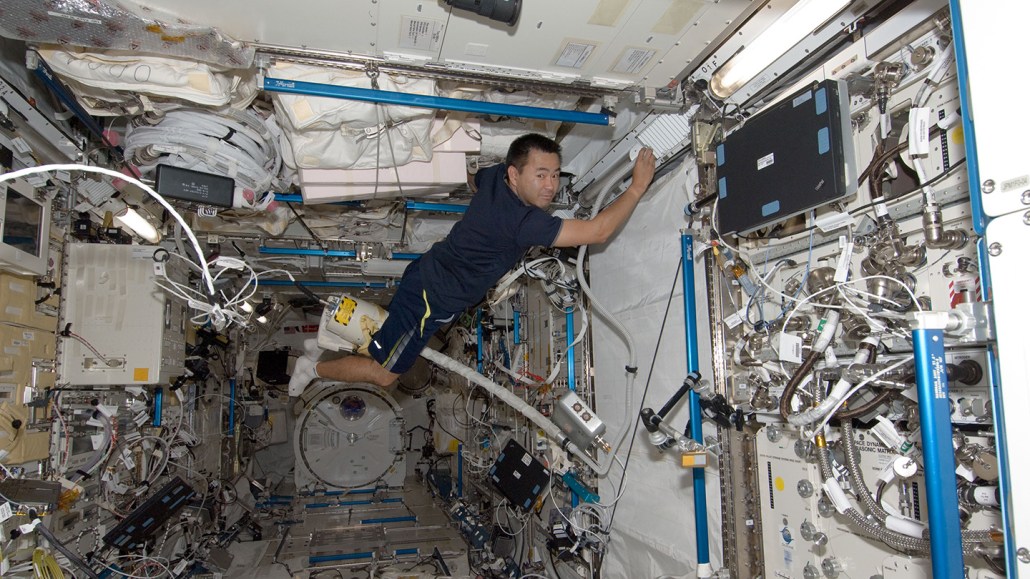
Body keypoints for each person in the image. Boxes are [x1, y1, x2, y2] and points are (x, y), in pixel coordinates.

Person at [288, 133, 656, 396]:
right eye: (540, 175)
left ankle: (318, 353)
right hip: (428, 299)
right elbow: (599, 231)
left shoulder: (496, 177)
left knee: (389, 338)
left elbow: (475, 180)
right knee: (386, 376)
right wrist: (637, 187)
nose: (550, 186)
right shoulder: (523, 221)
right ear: (515, 173)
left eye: (555, 174)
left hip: (431, 280)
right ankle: (315, 368)